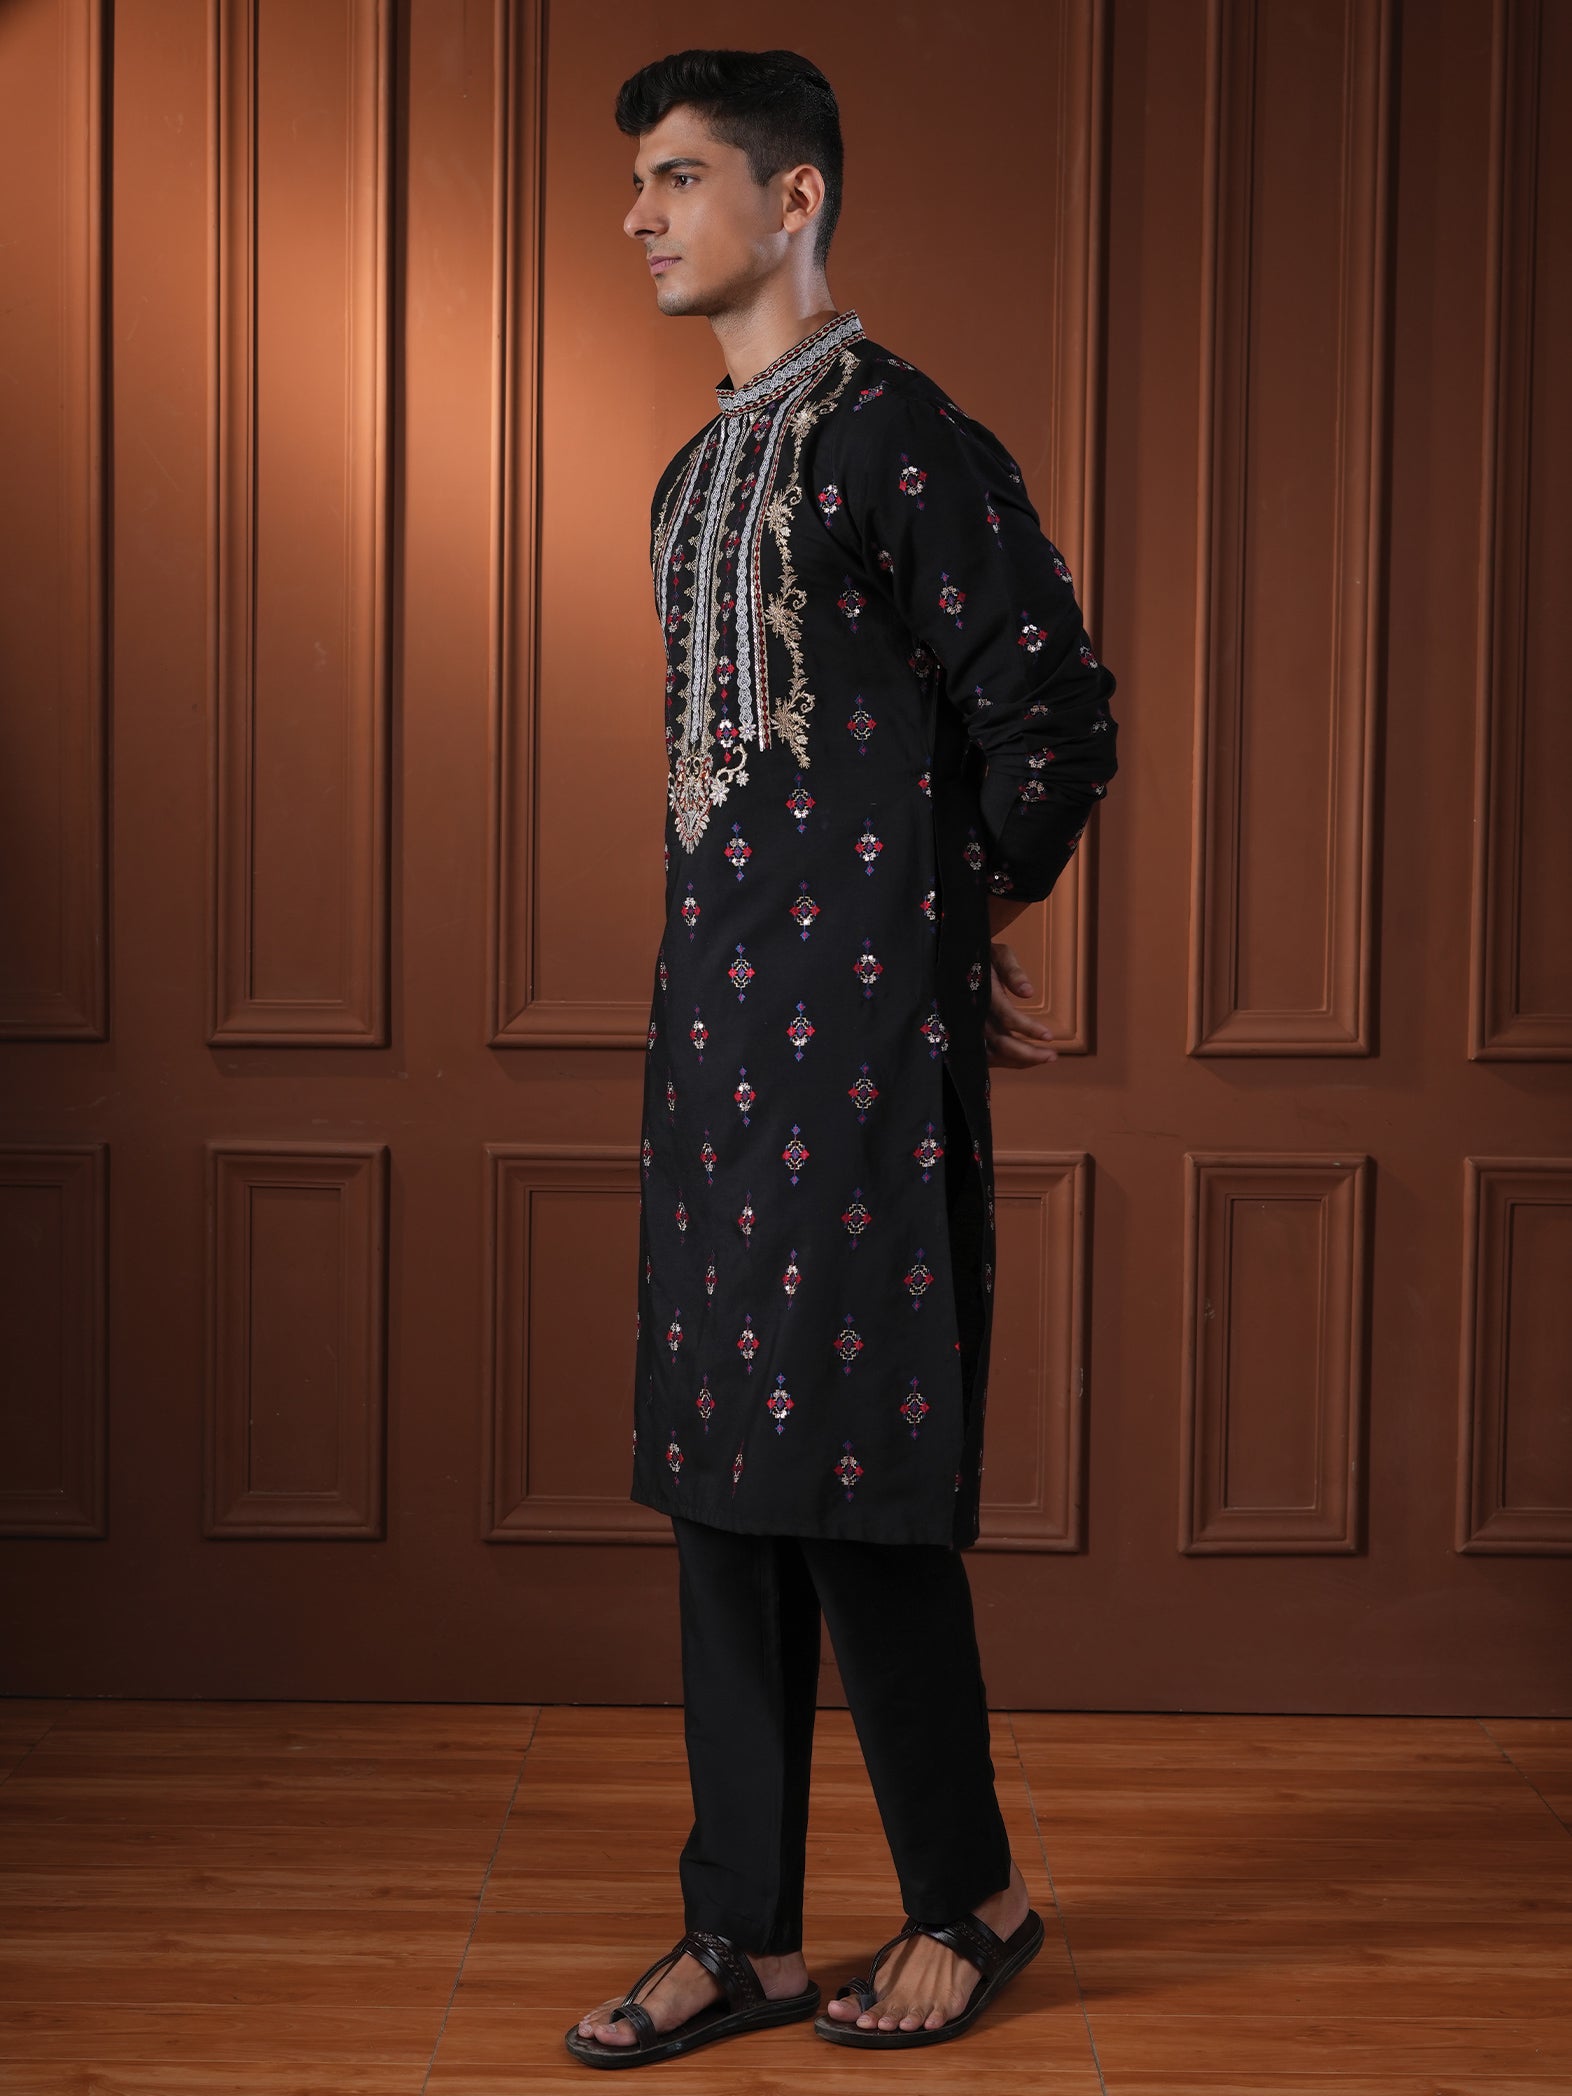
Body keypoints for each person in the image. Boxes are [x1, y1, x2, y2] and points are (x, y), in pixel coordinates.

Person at [566, 45, 1118, 2068]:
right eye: (636, 178)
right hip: (712, 1048)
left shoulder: (898, 437)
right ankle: (745, 1934)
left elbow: (1054, 710)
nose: (640, 211)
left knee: (853, 1470)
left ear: (792, 199)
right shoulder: (686, 482)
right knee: (724, 1476)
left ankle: (972, 1896)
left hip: (862, 1056)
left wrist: (956, 931)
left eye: (678, 174)